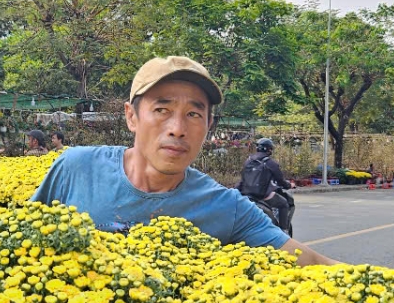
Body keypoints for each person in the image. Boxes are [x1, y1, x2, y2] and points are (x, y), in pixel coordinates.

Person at [30, 56, 336, 266]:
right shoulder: (75, 168)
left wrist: (380, 282)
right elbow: (23, 242)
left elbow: (310, 262)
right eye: (162, 110)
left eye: (193, 114)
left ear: (208, 126)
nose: (178, 128)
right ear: (131, 116)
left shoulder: (225, 207)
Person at [237, 138, 293, 230]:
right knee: (284, 204)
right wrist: (289, 185)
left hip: (246, 195)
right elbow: (280, 181)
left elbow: (243, 178)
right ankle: (284, 231)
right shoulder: (270, 163)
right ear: (269, 149)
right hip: (263, 196)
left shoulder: (248, 161)